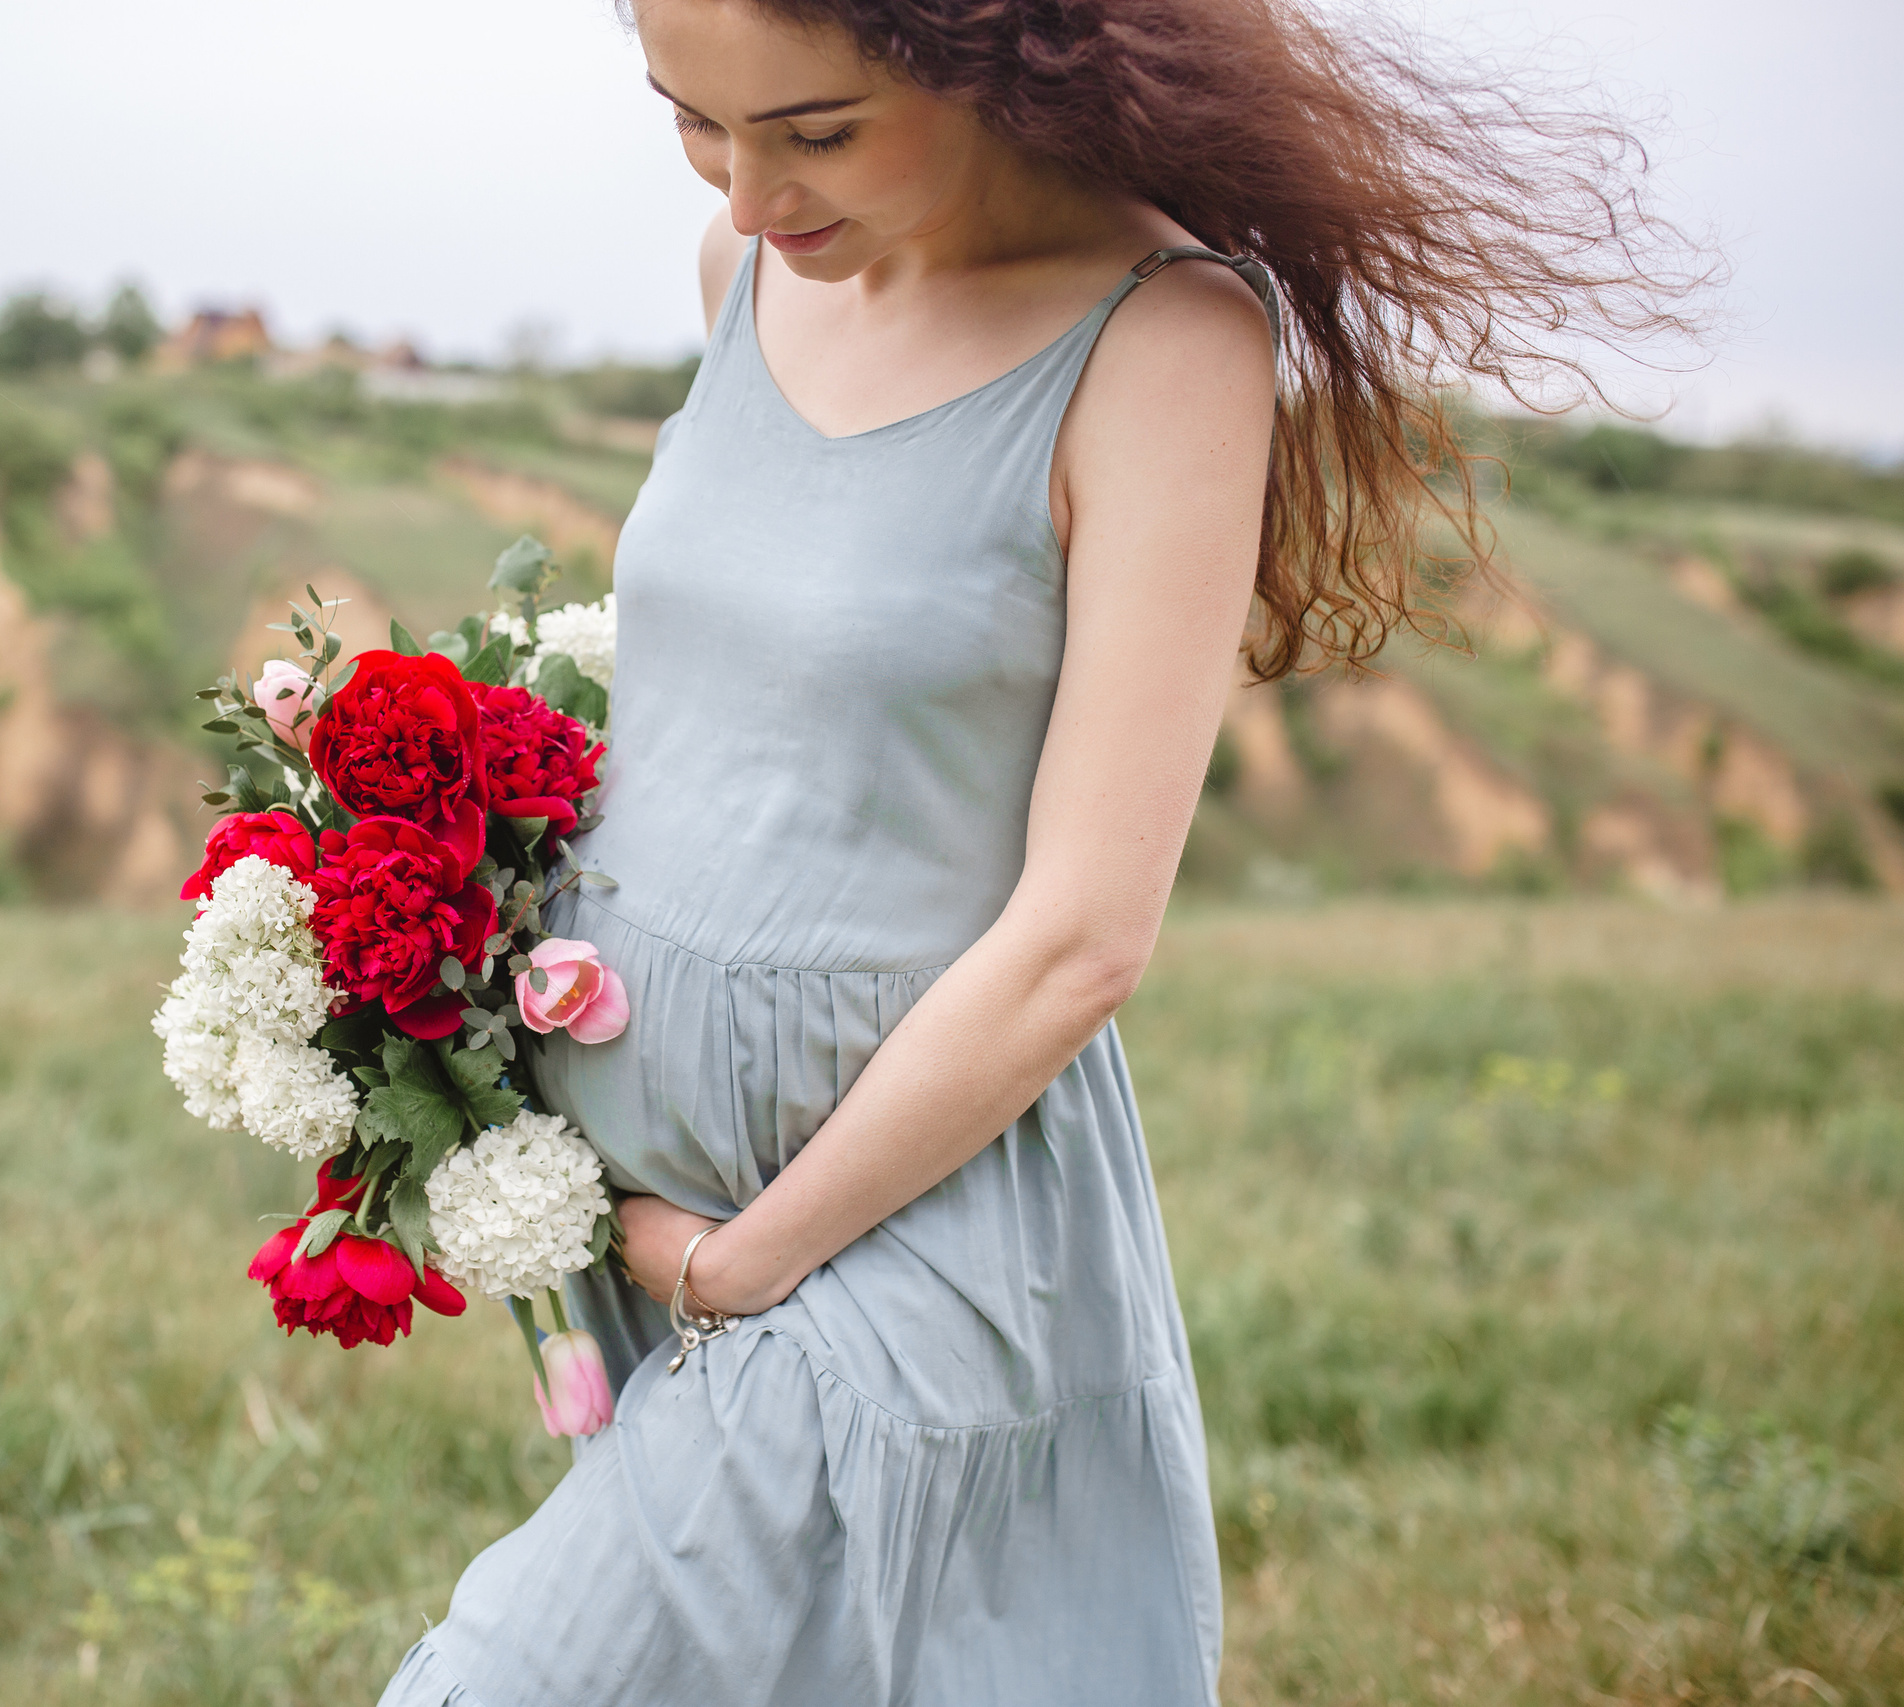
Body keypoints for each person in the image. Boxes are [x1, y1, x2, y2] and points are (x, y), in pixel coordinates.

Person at [380, 1, 1691, 1701]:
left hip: (885, 1230)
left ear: (1003, 49)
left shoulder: (1164, 343)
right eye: (694, 123)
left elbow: (1087, 933)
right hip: (654, 1217)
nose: (756, 191)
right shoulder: (746, 272)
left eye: (818, 130)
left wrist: (746, 1261)